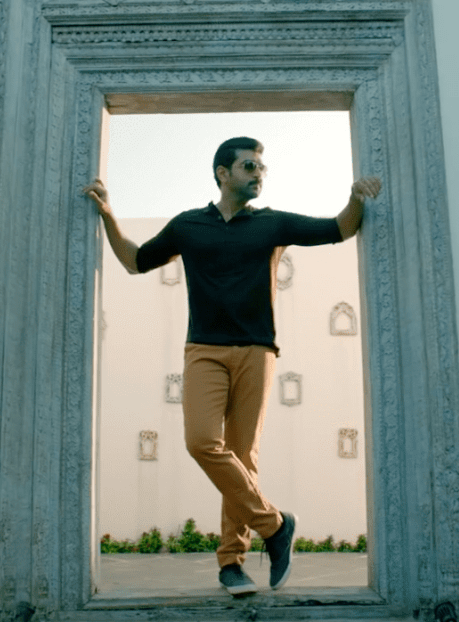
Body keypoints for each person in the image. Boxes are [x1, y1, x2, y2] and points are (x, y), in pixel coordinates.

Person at [83, 136, 381, 596]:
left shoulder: (273, 223)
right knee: (202, 441)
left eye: (262, 167)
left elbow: (339, 228)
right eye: (249, 166)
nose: (259, 173)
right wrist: (107, 214)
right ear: (223, 173)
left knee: (242, 458)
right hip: (204, 350)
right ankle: (275, 525)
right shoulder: (188, 225)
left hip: (257, 352)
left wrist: (356, 198)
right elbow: (135, 261)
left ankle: (231, 563)